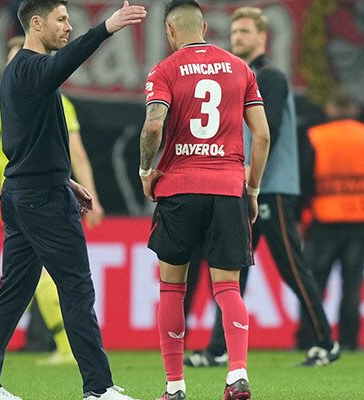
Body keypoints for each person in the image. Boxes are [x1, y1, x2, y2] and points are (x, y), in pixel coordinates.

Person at [0, 1, 146, 399]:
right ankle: (98, 389)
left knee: (12, 293)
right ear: (36, 22)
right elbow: (65, 63)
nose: (67, 27)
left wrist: (65, 180)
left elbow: (33, 140)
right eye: (61, 19)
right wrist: (107, 28)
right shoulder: (32, 68)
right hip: (41, 200)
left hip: (24, 193)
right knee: (77, 288)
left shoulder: (16, 74)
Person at [183, 6, 341, 369]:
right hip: (245, 186)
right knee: (231, 267)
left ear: (261, 36)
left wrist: (252, 180)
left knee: (292, 268)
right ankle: (220, 348)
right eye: (234, 31)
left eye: (244, 31)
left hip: (273, 188)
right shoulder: (240, 75)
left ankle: (326, 342)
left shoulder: (269, 76)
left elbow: (267, 131)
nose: (236, 37)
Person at [140, 1, 270, 399]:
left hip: (179, 187)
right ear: (205, 27)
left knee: (172, 289)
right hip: (228, 187)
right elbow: (262, 136)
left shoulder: (164, 70)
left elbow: (153, 126)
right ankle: (237, 375)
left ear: (170, 32)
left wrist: (147, 172)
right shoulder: (240, 68)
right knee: (228, 288)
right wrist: (251, 189)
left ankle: (175, 386)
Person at [0, 35, 105, 366]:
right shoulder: (59, 100)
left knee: (25, 282)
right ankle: (84, 370)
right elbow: (76, 152)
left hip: (20, 193)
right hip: (37, 193)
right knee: (47, 281)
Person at [296, 88, 364, 351]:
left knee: (315, 285)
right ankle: (350, 342)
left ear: (329, 108)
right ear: (355, 110)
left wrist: (297, 216)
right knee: (352, 286)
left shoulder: (316, 137)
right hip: (363, 220)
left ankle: (311, 339)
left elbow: (304, 181)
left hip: (325, 220)